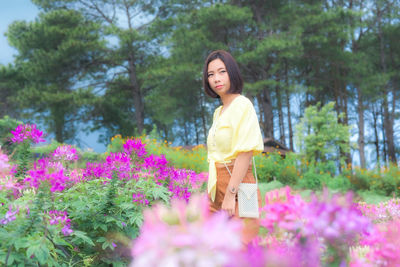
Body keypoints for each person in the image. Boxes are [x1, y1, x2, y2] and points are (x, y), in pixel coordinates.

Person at [203, 50, 264, 245]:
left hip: (238, 185)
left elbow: (245, 152)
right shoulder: (218, 112)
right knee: (212, 249)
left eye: (222, 72)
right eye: (211, 74)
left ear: (232, 73)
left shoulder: (242, 105)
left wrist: (230, 195)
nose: (216, 79)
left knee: (240, 250)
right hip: (216, 188)